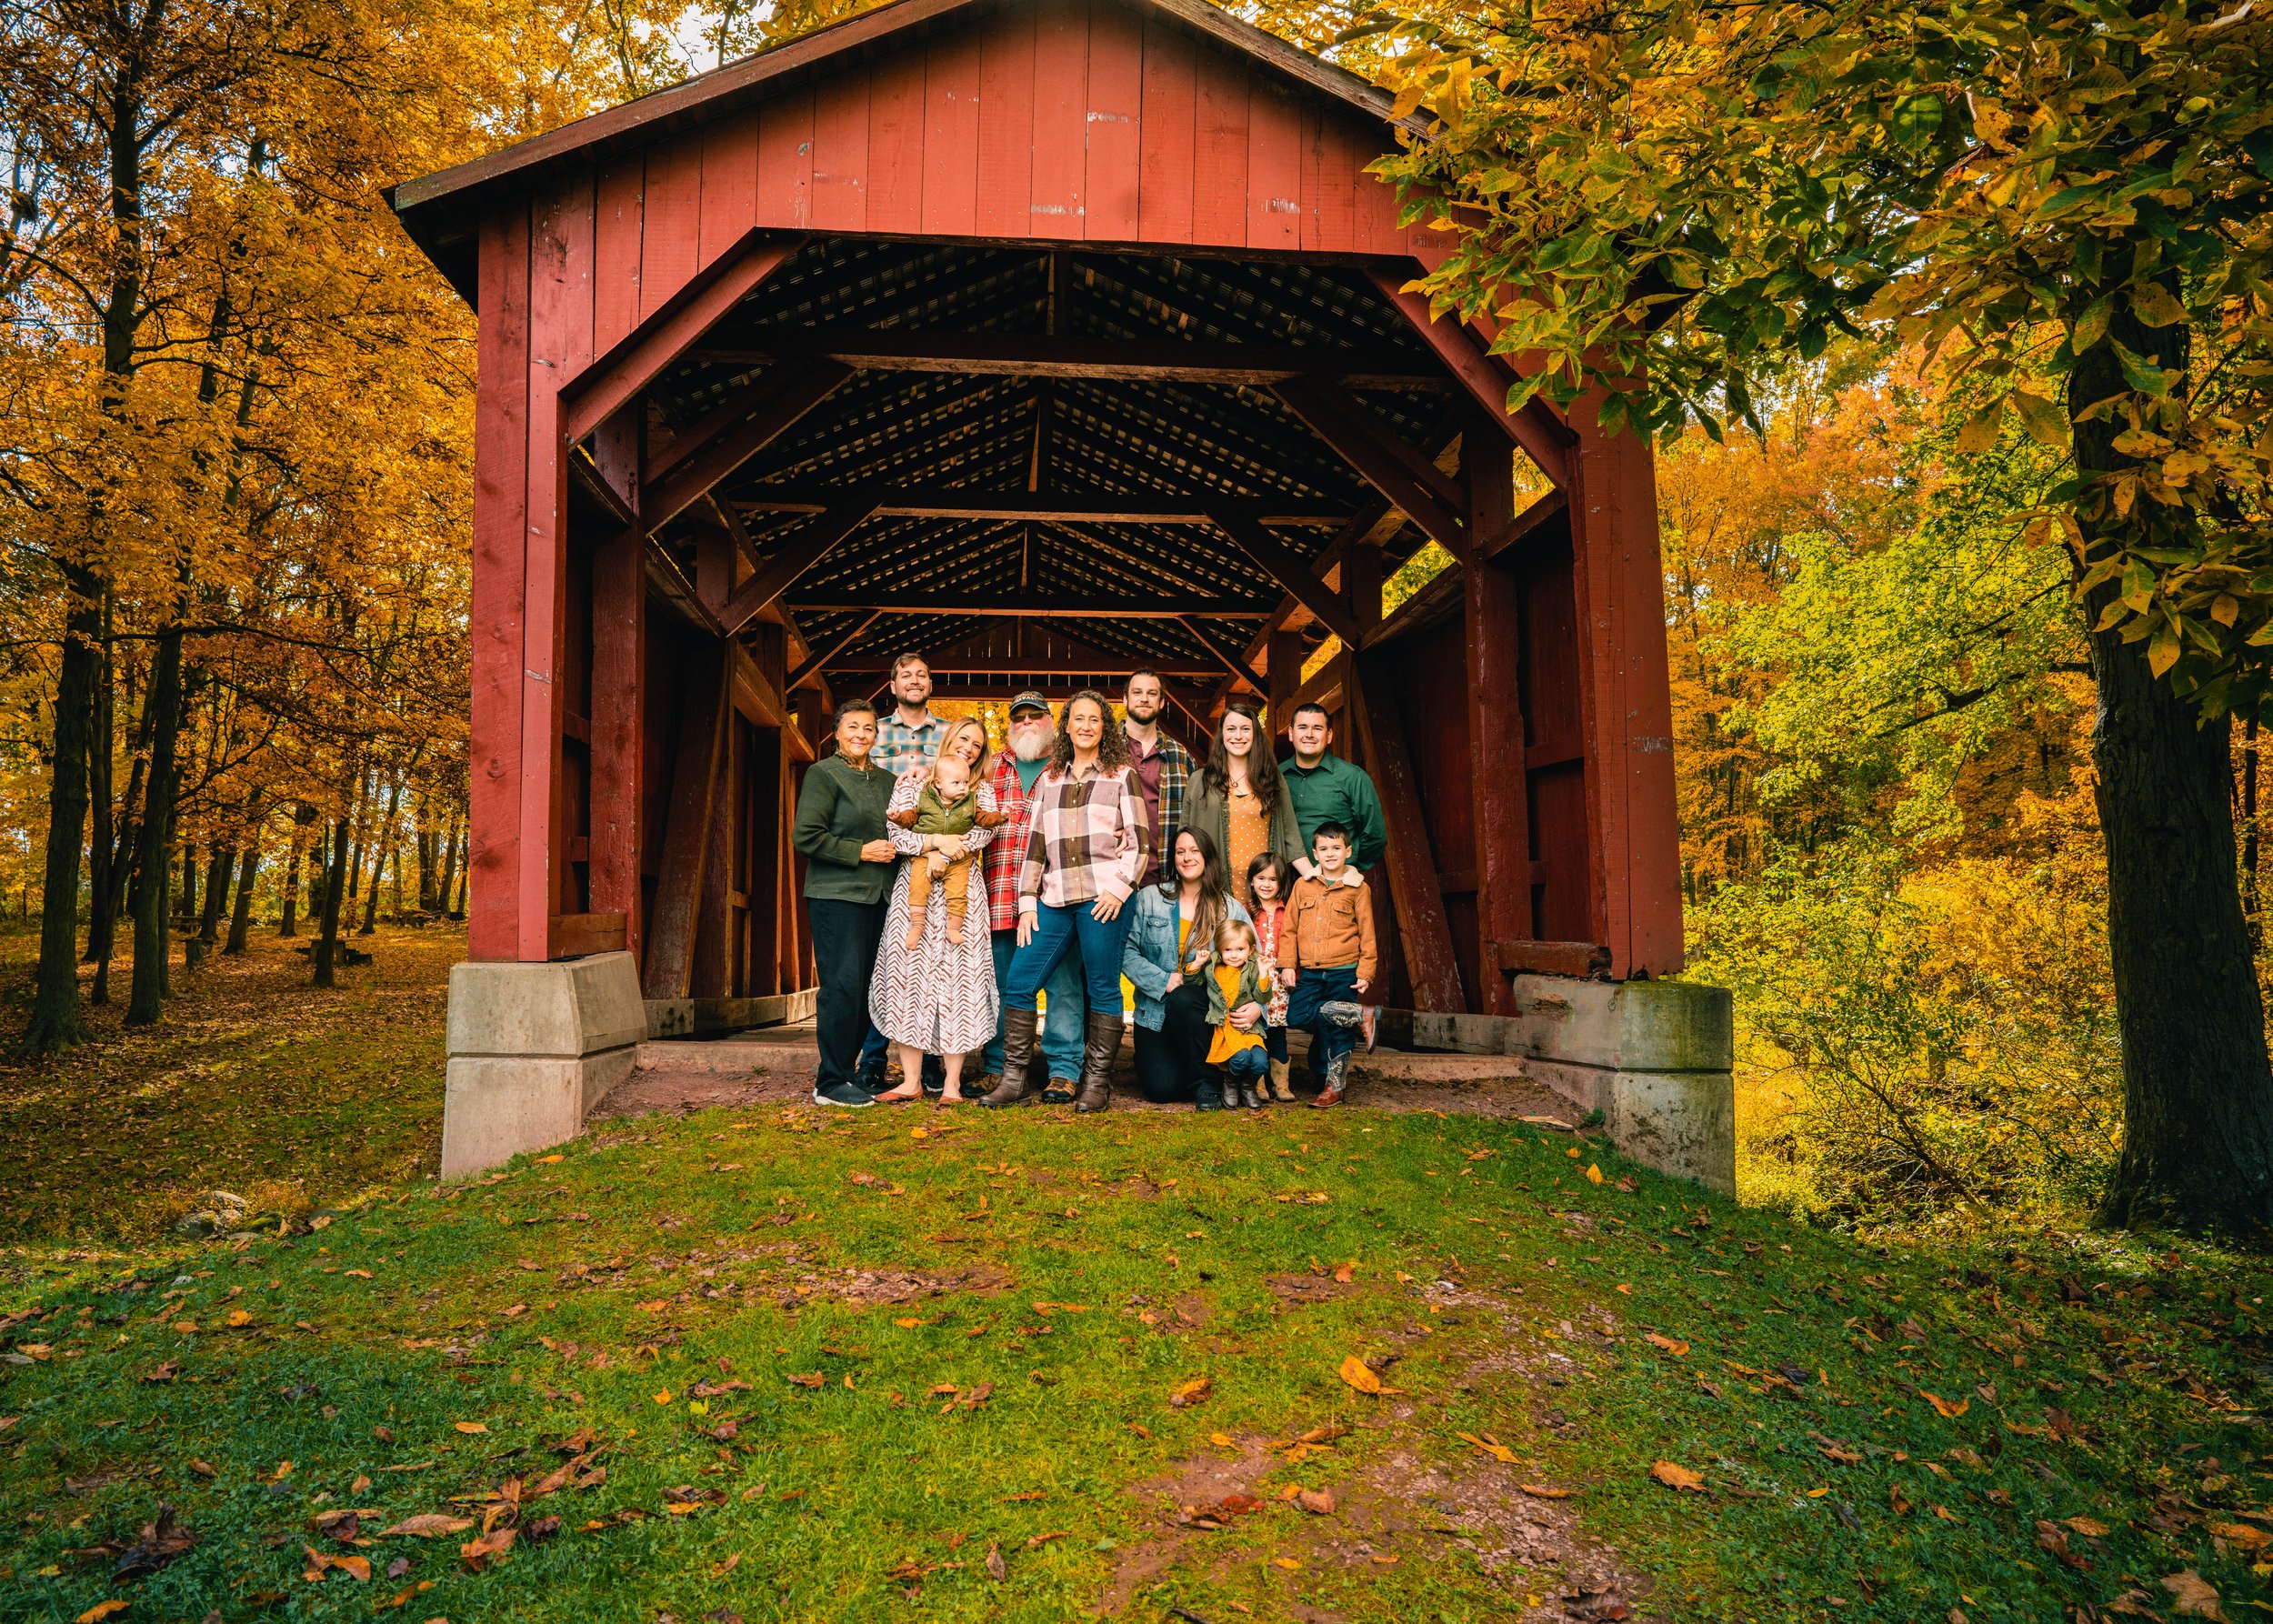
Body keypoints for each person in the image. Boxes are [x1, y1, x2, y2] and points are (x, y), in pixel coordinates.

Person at [979, 690, 1148, 1115]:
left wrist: (1120, 889)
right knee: (1019, 982)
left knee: (1103, 987)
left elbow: (1141, 844)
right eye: (1079, 718)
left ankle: (1096, 1084)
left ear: (1104, 727)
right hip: (1053, 898)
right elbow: (1035, 846)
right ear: (1067, 725)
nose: (1086, 726)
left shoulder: (1121, 775)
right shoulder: (1050, 778)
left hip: (1102, 899)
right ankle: (1013, 1079)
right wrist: (1028, 901)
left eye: (1095, 719)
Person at [870, 716, 999, 1106]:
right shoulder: (913, 783)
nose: (969, 747)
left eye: (977, 744)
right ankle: (910, 1080)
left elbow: (984, 833)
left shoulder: (984, 792)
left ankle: (952, 1085)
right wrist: (934, 843)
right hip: (916, 890)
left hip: (963, 894)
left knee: (961, 980)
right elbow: (896, 832)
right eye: (963, 738)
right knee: (909, 976)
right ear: (948, 739)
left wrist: (947, 849)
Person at [789, 697, 899, 1108]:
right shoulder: (823, 774)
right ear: (837, 733)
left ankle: (849, 1073)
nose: (860, 735)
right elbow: (807, 837)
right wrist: (860, 852)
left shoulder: (888, 781)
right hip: (836, 896)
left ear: (877, 734)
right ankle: (829, 1080)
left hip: (881, 898)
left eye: (868, 728)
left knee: (871, 989)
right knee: (842, 987)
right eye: (852, 727)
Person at [978, 692, 1088, 1102]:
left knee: (1063, 986)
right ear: (1010, 724)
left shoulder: (1070, 765)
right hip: (1000, 893)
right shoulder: (990, 767)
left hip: (1055, 896)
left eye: (1035, 715)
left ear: (1049, 721)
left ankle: (1063, 1069)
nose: (1026, 721)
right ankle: (1001, 1067)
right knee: (1004, 985)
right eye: (1018, 716)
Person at [1121, 827, 1256, 1109]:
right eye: (1181, 852)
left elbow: (1256, 962)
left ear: (1207, 857)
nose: (1187, 858)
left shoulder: (1229, 908)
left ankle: (1207, 1082)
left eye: (1194, 851)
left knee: (1184, 998)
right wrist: (1163, 981)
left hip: (1207, 1012)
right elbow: (1125, 952)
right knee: (1161, 1089)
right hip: (1155, 1011)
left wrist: (1258, 1007)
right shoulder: (1150, 898)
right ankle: (1197, 1066)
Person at [859, 651, 945, 1092]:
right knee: (885, 962)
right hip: (884, 858)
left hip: (931, 861)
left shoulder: (949, 735)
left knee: (930, 961)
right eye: (906, 676)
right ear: (892, 686)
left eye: (922, 675)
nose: (915, 681)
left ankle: (930, 1063)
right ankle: (873, 1060)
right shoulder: (874, 733)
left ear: (931, 684)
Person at [1280, 821, 1378, 1108]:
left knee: (1338, 1030)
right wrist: (1288, 964)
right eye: (1324, 848)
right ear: (1315, 853)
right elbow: (1289, 928)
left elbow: (1367, 933)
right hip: (1310, 970)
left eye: (1336, 848)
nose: (1330, 853)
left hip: (1343, 969)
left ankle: (1334, 1087)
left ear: (1348, 850)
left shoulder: (1358, 889)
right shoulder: (1303, 885)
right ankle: (1358, 1014)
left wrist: (1366, 971)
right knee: (1297, 1015)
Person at [889, 748, 1004, 947]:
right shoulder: (923, 794)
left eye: (966, 783)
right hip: (923, 859)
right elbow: (908, 821)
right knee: (918, 886)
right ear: (939, 784)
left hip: (960, 860)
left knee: (958, 892)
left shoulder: (973, 799)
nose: (963, 788)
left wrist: (1001, 816)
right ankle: (916, 925)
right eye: (957, 783)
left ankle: (954, 927)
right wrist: (898, 818)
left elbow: (986, 822)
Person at [1185, 699, 1304, 887]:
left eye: (1245, 729)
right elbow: (1185, 837)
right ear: (1222, 733)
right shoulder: (1200, 780)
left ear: (1256, 734)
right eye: (1231, 729)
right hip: (1214, 886)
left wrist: (1318, 879)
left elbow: (1291, 836)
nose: (1238, 736)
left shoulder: (1273, 778)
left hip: (1264, 888)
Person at [1279, 703, 1387, 880]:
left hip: (1333, 886)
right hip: (1282, 887)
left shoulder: (1352, 777)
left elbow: (1375, 835)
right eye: (1303, 727)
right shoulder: (1275, 776)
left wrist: (1345, 867)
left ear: (1329, 735)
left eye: (1318, 728)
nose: (1309, 734)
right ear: (1291, 733)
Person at [1122, 669, 1195, 886]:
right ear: (1125, 699)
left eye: (1152, 694)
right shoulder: (1104, 750)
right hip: (1112, 879)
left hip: (1166, 878)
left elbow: (1193, 819)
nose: (1144, 698)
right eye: (1137, 692)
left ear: (1162, 702)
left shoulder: (1181, 756)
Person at [1202, 917, 1274, 1111]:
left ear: (1250, 949)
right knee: (1240, 1058)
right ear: (1220, 950)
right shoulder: (1214, 968)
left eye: (1240, 950)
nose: (1234, 955)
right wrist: (1196, 964)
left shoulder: (1251, 969)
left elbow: (1263, 996)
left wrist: (1262, 973)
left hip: (1249, 1027)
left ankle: (1248, 1086)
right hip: (1227, 1026)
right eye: (1228, 950)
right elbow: (1192, 982)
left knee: (1260, 1061)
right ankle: (1231, 1083)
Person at [1243, 851, 1296, 1103]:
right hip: (1255, 978)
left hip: (1280, 981)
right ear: (1252, 881)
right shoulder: (1245, 911)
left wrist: (1289, 966)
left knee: (1277, 1031)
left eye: (1273, 879)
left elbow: (1294, 942)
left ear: (1282, 883)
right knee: (1258, 1029)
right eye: (1261, 877)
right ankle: (1259, 1082)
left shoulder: (1290, 912)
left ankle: (1281, 1084)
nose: (1266, 884)